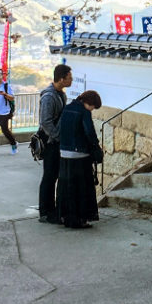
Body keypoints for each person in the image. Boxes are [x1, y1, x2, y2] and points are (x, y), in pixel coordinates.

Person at [57, 89, 104, 229]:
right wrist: (96, 148)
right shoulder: (84, 112)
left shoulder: (67, 109)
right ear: (89, 103)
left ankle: (65, 216)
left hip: (64, 153)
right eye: (93, 107)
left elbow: (60, 129)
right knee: (82, 188)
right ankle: (80, 219)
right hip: (80, 154)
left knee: (67, 187)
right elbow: (89, 132)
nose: (92, 109)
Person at [38, 63, 71, 224]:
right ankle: (45, 211)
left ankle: (53, 209)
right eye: (69, 77)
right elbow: (45, 121)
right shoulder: (49, 96)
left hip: (57, 142)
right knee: (49, 176)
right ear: (62, 78)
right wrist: (57, 136)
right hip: (51, 142)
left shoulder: (61, 94)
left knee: (55, 175)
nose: (71, 80)